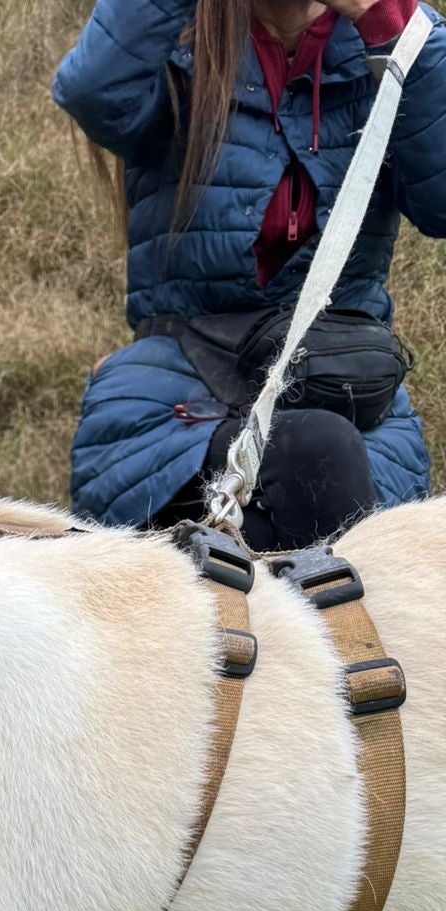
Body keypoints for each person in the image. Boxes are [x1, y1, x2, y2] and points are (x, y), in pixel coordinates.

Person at [53, 0, 446, 548]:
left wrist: (388, 21)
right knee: (319, 461)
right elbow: (92, 93)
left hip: (347, 392)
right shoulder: (179, 41)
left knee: (347, 505)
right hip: (177, 401)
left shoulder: (398, 39)